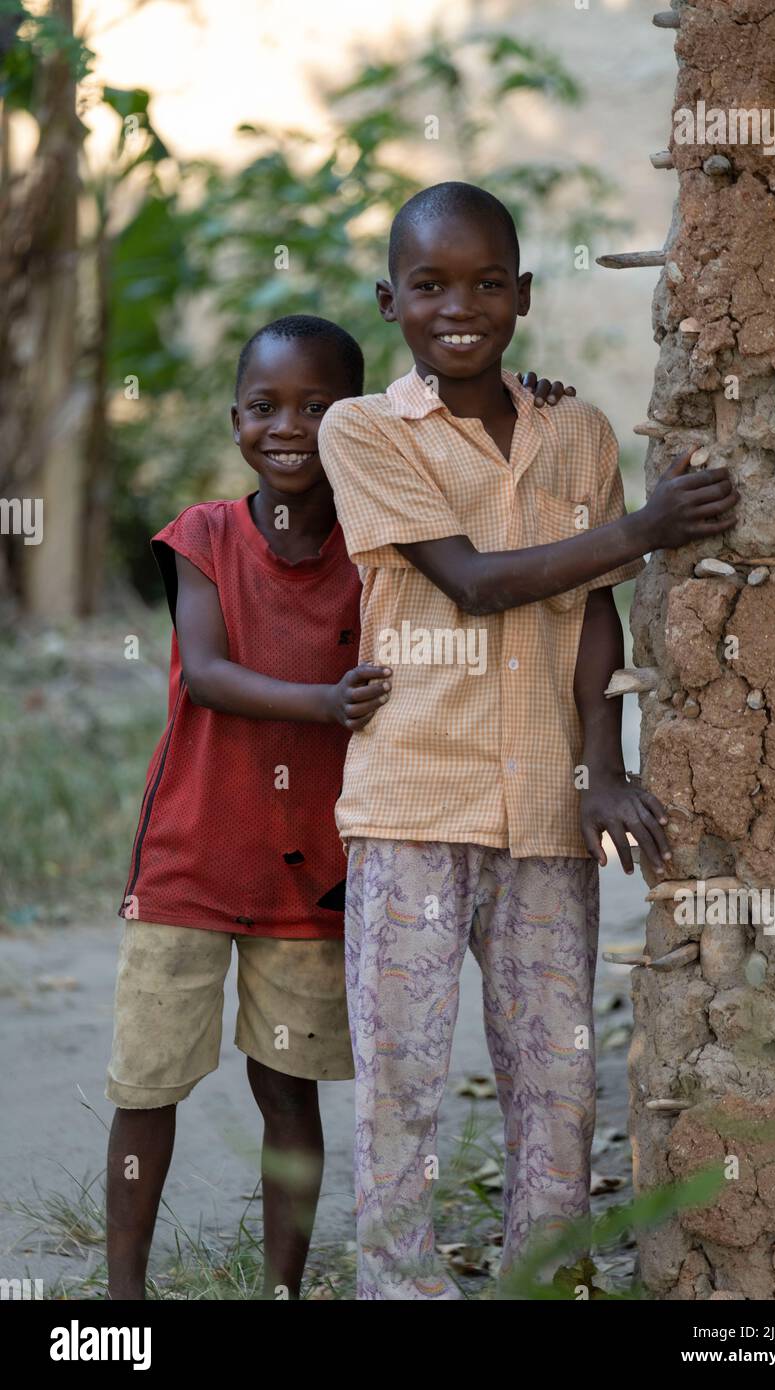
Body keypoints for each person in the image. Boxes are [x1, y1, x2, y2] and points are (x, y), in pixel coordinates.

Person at [317, 182, 740, 1299]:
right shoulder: (359, 429)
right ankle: (400, 1289)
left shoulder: (577, 430)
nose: (460, 306)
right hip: (414, 798)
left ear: (524, 297)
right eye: (430, 286)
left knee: (556, 1080)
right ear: (389, 301)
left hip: (547, 808)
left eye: (487, 283)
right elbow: (470, 584)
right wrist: (643, 526)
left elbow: (594, 606)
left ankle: (543, 1281)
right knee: (400, 1078)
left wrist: (602, 771)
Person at [104, 315, 392, 1300]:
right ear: (234, 419)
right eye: (265, 406)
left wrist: (523, 396)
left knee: (288, 1091)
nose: (289, 425)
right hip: (188, 863)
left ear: (355, 418)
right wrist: (323, 702)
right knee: (147, 1086)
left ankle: (280, 1291)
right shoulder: (204, 536)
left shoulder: (376, 550)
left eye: (318, 406)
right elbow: (213, 674)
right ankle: (124, 1298)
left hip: (308, 870)